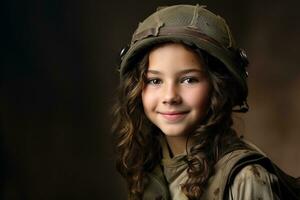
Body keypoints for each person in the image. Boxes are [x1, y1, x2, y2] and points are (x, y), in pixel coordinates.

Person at [113, 4, 300, 200]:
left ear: (217, 86)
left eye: (189, 80)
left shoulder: (245, 179)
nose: (170, 96)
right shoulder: (150, 171)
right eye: (154, 81)